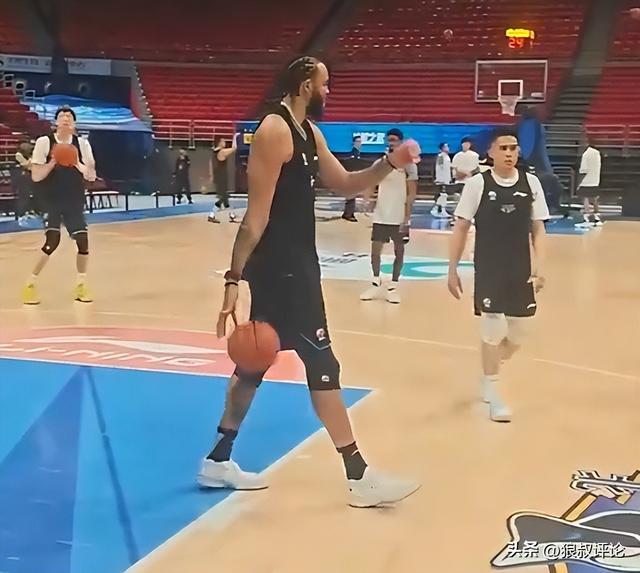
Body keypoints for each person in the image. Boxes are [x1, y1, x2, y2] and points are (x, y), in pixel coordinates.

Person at [201, 56, 421, 508]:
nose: (328, 91)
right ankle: (359, 477)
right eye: (325, 83)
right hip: (282, 269)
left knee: (253, 364)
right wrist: (232, 279)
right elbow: (255, 216)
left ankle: (217, 460)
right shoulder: (274, 130)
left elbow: (346, 184)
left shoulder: (308, 132)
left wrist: (389, 163)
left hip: (297, 264)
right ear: (305, 84)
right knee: (323, 364)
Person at [447, 127, 548, 423]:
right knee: (492, 328)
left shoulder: (531, 183)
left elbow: (539, 228)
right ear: (490, 153)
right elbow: (461, 227)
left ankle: (489, 368)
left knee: (520, 331)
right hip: (489, 265)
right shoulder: (478, 184)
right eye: (503, 148)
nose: (509, 153)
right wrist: (452, 269)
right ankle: (493, 393)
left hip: (520, 268)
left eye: (513, 148)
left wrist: (541, 266)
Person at [22, 106, 96, 305]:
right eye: (62, 116)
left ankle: (81, 285)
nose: (65, 118)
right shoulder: (44, 142)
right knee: (52, 242)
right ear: (55, 122)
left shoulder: (82, 144)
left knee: (83, 242)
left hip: (74, 198)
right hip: (50, 198)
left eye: (69, 116)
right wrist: (54, 161)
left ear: (74, 123)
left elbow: (91, 175)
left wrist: (76, 163)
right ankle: (30, 284)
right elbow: (36, 176)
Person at [360, 128, 418, 304]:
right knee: (375, 251)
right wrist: (367, 198)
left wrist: (407, 215)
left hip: (399, 215)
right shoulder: (381, 162)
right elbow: (372, 182)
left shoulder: (409, 165)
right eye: (389, 140)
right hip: (381, 213)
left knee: (399, 251)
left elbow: (412, 192)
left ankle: (393, 286)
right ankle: (375, 282)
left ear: (400, 142)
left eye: (394, 139)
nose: (391, 142)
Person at [208, 134, 238, 223]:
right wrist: (235, 137)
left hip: (218, 178)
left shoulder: (214, 152)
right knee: (222, 197)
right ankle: (211, 214)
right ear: (220, 142)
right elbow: (234, 149)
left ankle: (231, 215)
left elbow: (210, 164)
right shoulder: (222, 152)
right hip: (222, 178)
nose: (225, 142)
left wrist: (211, 176)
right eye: (223, 141)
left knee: (225, 198)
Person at [575, 138, 602, 228]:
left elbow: (584, 170)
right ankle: (597, 218)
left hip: (586, 181)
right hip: (595, 180)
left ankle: (587, 218)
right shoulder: (597, 153)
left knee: (585, 198)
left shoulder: (586, 154)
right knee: (594, 199)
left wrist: (579, 183)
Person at [341, 135, 362, 222]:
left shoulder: (358, 153)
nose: (359, 143)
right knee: (351, 196)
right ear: (353, 143)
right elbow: (349, 165)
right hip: (351, 177)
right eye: (357, 142)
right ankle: (348, 214)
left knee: (352, 196)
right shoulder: (353, 153)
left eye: (360, 142)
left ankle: (348, 213)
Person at [431, 141, 452, 218]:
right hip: (441, 179)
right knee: (443, 195)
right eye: (445, 147)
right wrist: (439, 179)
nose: (447, 148)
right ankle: (439, 209)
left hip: (446, 178)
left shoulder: (447, 157)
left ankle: (439, 209)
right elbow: (439, 168)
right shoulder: (441, 156)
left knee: (444, 196)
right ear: (442, 148)